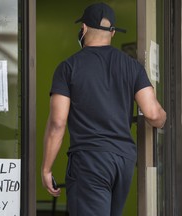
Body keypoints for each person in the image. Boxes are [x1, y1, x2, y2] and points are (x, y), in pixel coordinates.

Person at [41, 2, 166, 216]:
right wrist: (164, 117)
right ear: (113, 33)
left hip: (90, 160)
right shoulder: (132, 66)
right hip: (123, 161)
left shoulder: (68, 68)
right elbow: (154, 114)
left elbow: (57, 123)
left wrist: (46, 168)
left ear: (84, 29)